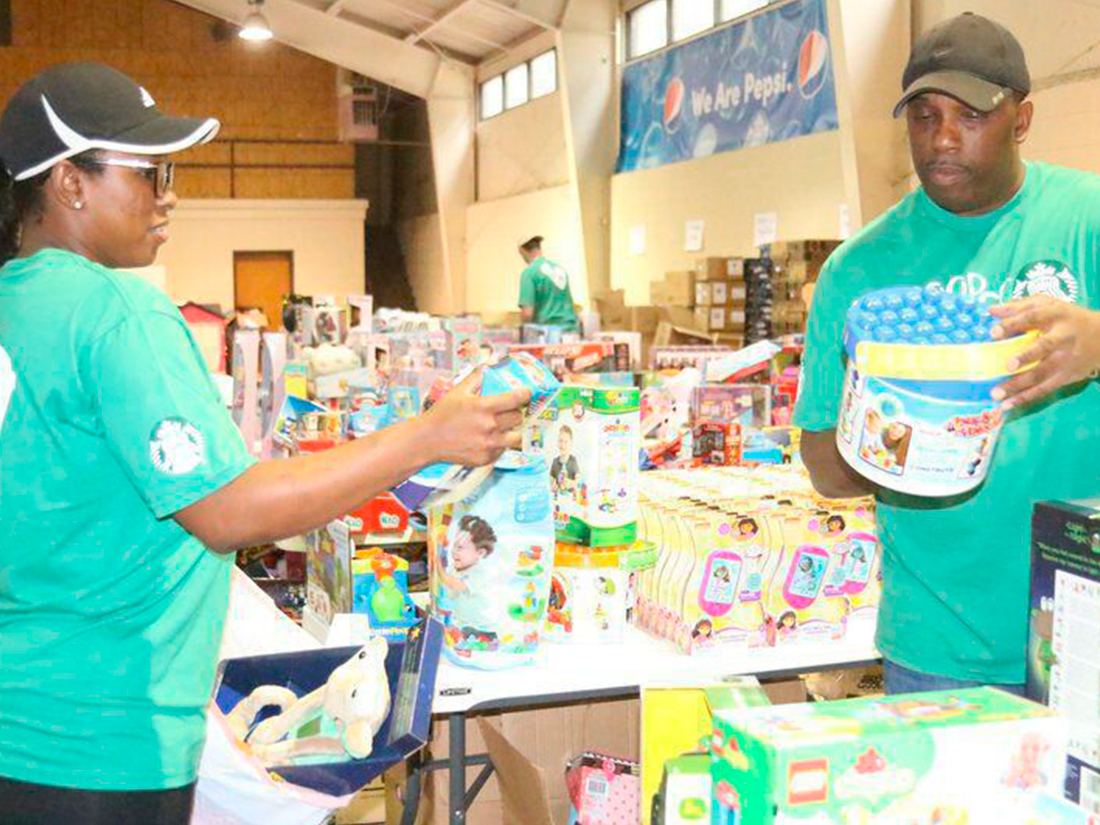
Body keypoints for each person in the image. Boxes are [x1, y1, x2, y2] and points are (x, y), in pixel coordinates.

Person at [0, 63, 530, 823]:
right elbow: (229, 510)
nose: (169, 192)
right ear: (69, 184)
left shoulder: (17, 304)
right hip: (104, 743)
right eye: (151, 172)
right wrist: (425, 435)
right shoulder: (117, 312)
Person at [795, 13, 1100, 697]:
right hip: (938, 640)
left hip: (1086, 622)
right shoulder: (858, 271)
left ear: (1021, 120)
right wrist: (885, 439)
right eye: (924, 115)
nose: (940, 139)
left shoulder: (1089, 218)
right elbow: (823, 465)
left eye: (970, 115)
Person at [517, 234, 578, 333]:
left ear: (523, 251)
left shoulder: (529, 273)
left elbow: (527, 313)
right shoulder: (560, 270)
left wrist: (521, 331)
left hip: (548, 335)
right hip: (571, 332)